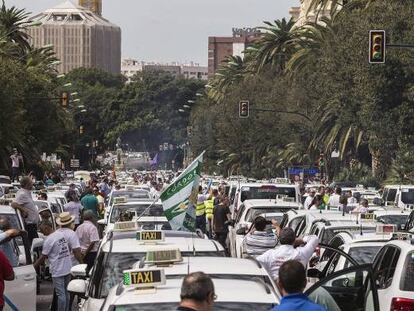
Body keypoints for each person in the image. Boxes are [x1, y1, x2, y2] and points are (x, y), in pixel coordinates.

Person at [34, 220, 73, 311]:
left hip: (58, 270)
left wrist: (33, 266)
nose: (41, 232)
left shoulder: (49, 239)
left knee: (60, 294)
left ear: (46, 228)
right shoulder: (60, 235)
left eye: (41, 229)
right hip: (67, 267)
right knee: (66, 292)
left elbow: (43, 256)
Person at [11, 176, 38, 247]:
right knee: (35, 247)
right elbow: (14, 204)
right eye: (31, 182)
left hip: (33, 226)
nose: (32, 183)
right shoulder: (22, 194)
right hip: (29, 226)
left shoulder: (26, 193)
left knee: (36, 246)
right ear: (27, 184)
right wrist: (23, 209)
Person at [76, 210, 99, 275]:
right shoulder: (92, 227)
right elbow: (93, 242)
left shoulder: (79, 227)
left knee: (83, 271)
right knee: (91, 272)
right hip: (91, 254)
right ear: (91, 218)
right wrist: (86, 253)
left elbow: (76, 241)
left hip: (81, 253)